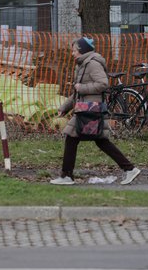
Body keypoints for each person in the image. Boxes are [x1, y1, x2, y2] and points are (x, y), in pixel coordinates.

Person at [51, 37, 141, 186]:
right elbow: (77, 92)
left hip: (90, 109)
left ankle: (67, 176)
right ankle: (129, 169)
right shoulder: (83, 65)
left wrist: (83, 88)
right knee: (100, 141)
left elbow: (103, 84)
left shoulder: (92, 64)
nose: (72, 53)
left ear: (81, 50)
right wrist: (65, 107)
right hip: (85, 108)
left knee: (73, 138)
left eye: (74, 50)